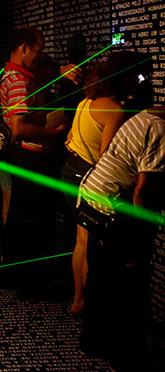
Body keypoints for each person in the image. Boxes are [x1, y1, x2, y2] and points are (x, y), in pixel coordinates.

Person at [78, 103, 164, 361]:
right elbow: (142, 191)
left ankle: (91, 342)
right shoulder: (161, 129)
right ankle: (123, 355)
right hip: (112, 208)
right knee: (124, 284)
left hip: (92, 199)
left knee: (99, 276)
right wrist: (144, 230)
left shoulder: (146, 115)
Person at [0, 27, 69, 296]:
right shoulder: (17, 80)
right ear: (24, 48)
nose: (39, 56)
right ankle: (31, 284)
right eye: (37, 50)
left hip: (21, 157)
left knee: (19, 216)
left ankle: (12, 275)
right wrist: (52, 132)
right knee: (34, 221)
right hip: (29, 156)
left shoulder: (9, 75)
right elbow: (19, 127)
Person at [60, 54, 131, 315]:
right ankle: (88, 302)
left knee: (81, 241)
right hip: (88, 177)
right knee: (92, 243)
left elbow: (69, 137)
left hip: (71, 169)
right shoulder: (113, 108)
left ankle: (79, 299)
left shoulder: (85, 102)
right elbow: (107, 156)